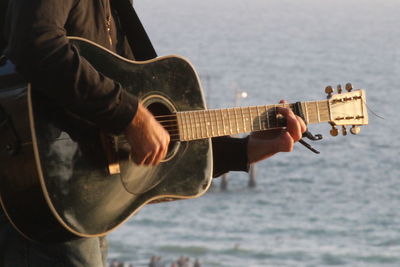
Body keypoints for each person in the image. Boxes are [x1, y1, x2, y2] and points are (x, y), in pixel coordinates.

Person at [0, 0, 306, 266]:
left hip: (81, 201)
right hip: (37, 192)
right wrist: (131, 116)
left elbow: (156, 124)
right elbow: (34, 43)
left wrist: (245, 150)